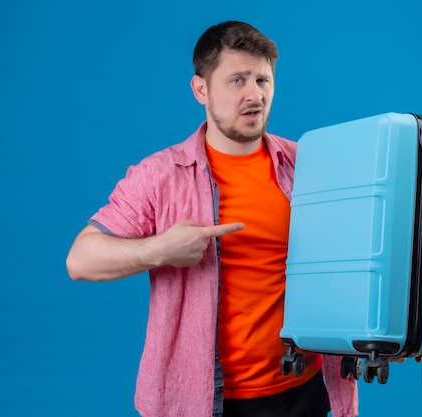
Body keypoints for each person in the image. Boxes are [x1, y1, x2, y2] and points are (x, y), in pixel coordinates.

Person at [66, 21, 358, 417]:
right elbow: (81, 260)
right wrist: (162, 248)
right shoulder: (161, 175)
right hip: (203, 402)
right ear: (200, 89)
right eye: (237, 80)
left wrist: (378, 336)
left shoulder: (307, 163)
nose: (254, 94)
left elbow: (350, 263)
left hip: (302, 393)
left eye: (262, 80)